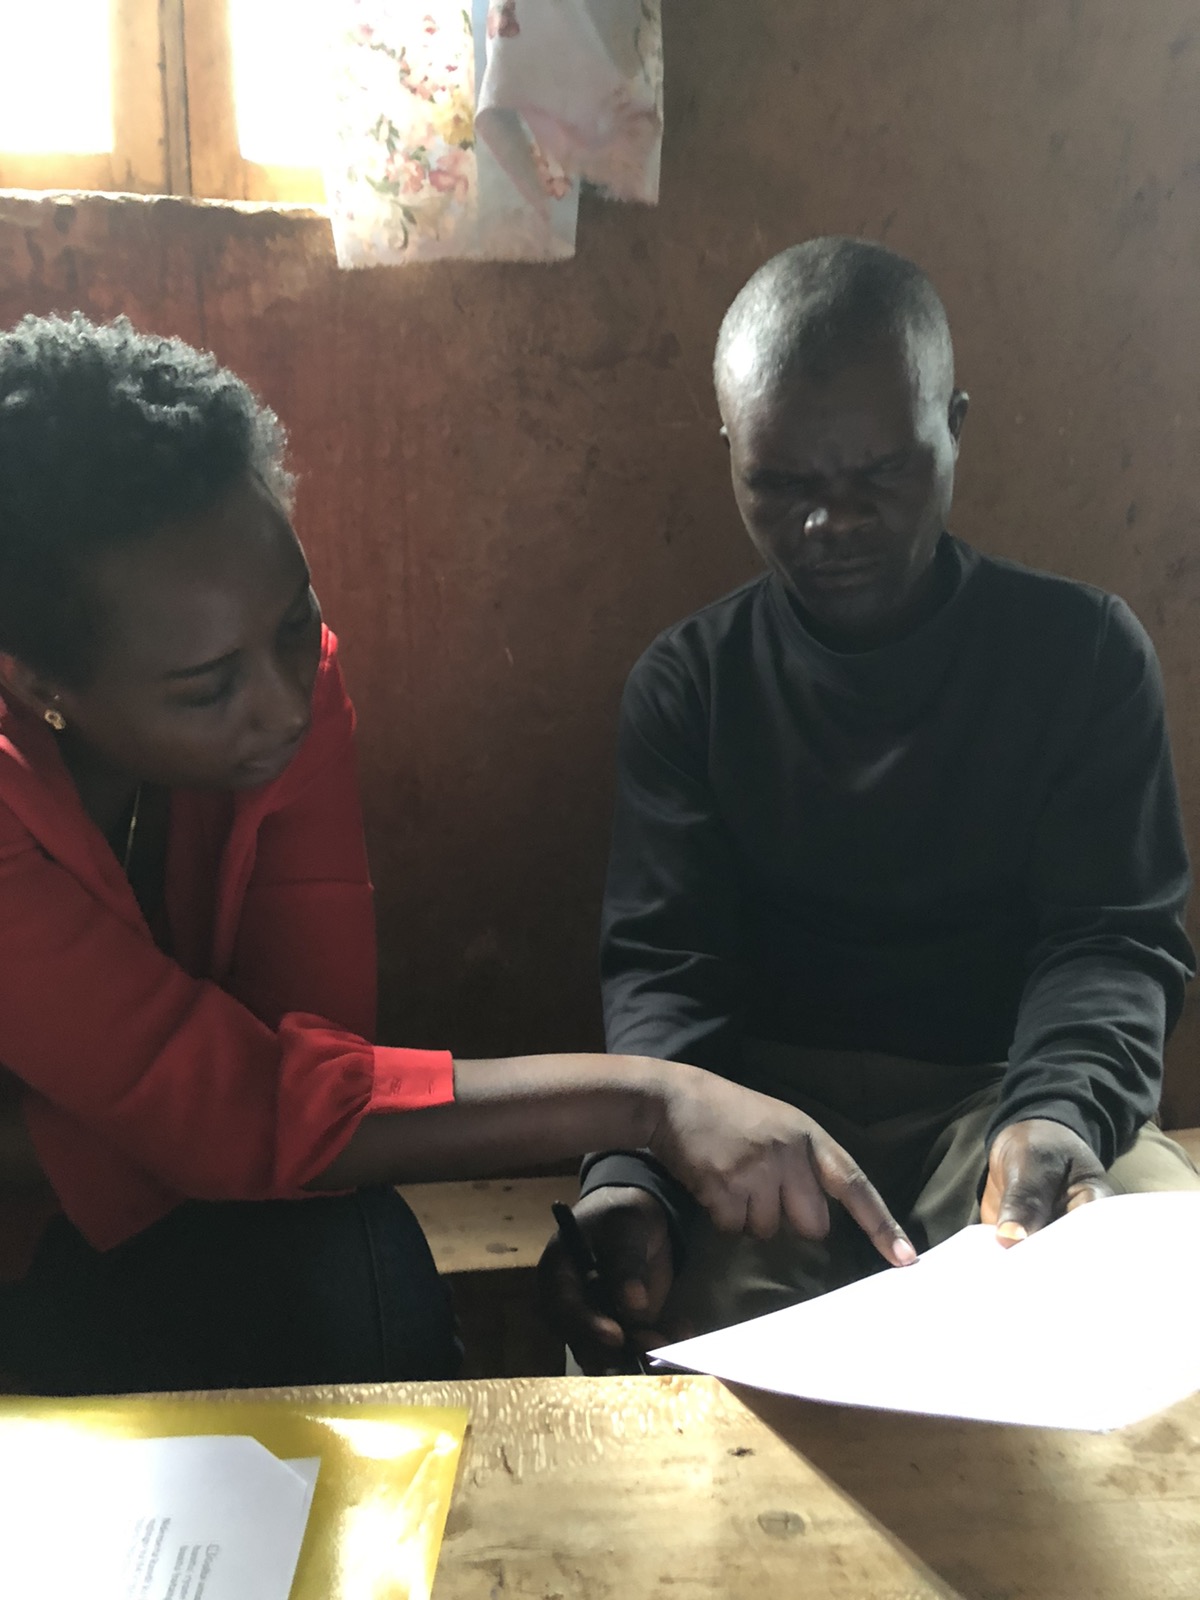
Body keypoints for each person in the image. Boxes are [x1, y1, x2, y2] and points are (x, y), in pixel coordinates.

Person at [0, 312, 916, 1395]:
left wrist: (97, 1133)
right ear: (36, 682)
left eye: (294, 623)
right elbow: (249, 1109)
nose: (288, 701)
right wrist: (647, 1102)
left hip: (147, 1205)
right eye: (208, 688)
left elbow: (307, 1065)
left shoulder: (288, 700)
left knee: (366, 1266)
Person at [541, 237, 1200, 1373]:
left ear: (955, 427)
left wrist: (1058, 1109)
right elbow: (667, 971)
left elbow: (1111, 935)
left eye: (880, 475)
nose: (829, 524)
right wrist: (636, 1173)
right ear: (732, 454)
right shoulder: (691, 688)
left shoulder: (1081, 656)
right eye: (783, 484)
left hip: (1006, 1083)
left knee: (1147, 1305)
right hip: (761, 1119)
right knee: (663, 1346)